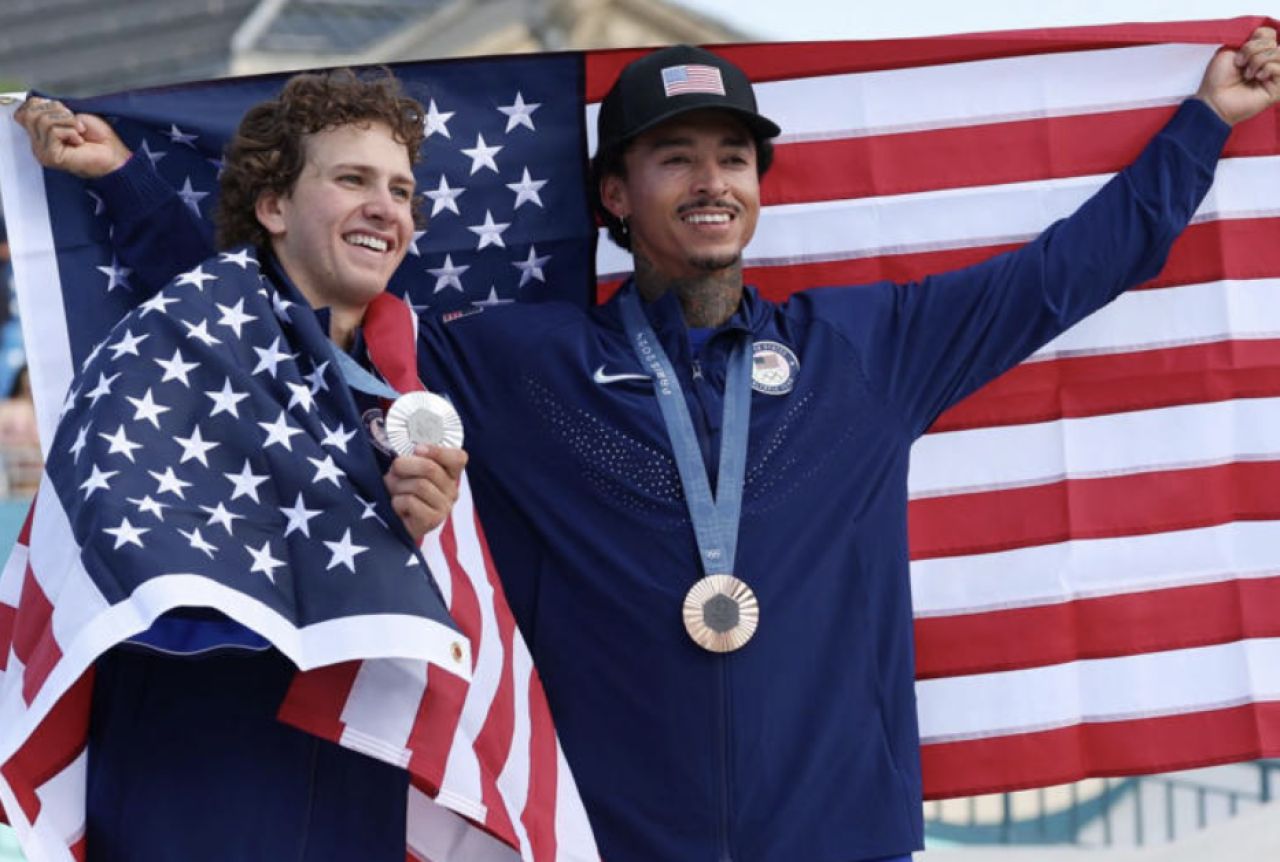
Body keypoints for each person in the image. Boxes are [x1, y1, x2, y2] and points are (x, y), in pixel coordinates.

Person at [14, 30, 1280, 862]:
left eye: (732, 157)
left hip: (840, 837)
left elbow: (1067, 273)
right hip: (609, 839)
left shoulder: (867, 350)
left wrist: (1204, 120)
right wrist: (127, 185)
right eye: (674, 158)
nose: (711, 180)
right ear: (616, 198)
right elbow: (295, 337)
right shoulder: (516, 363)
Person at [16, 70, 468, 861]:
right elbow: (226, 324)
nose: (384, 207)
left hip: (352, 776)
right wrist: (127, 179)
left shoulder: (422, 374)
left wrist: (425, 524)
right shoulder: (191, 337)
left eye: (399, 190)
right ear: (274, 206)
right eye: (352, 178)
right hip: (198, 770)